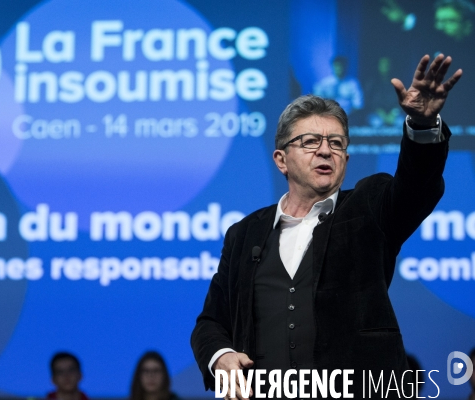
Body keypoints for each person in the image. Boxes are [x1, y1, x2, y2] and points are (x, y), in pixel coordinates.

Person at [191, 54, 462, 398]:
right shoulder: (244, 234)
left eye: (336, 143)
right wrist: (221, 356)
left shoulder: (369, 207)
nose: (325, 151)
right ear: (281, 160)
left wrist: (423, 126)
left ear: (346, 159)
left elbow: (417, 185)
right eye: (310, 142)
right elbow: (211, 322)